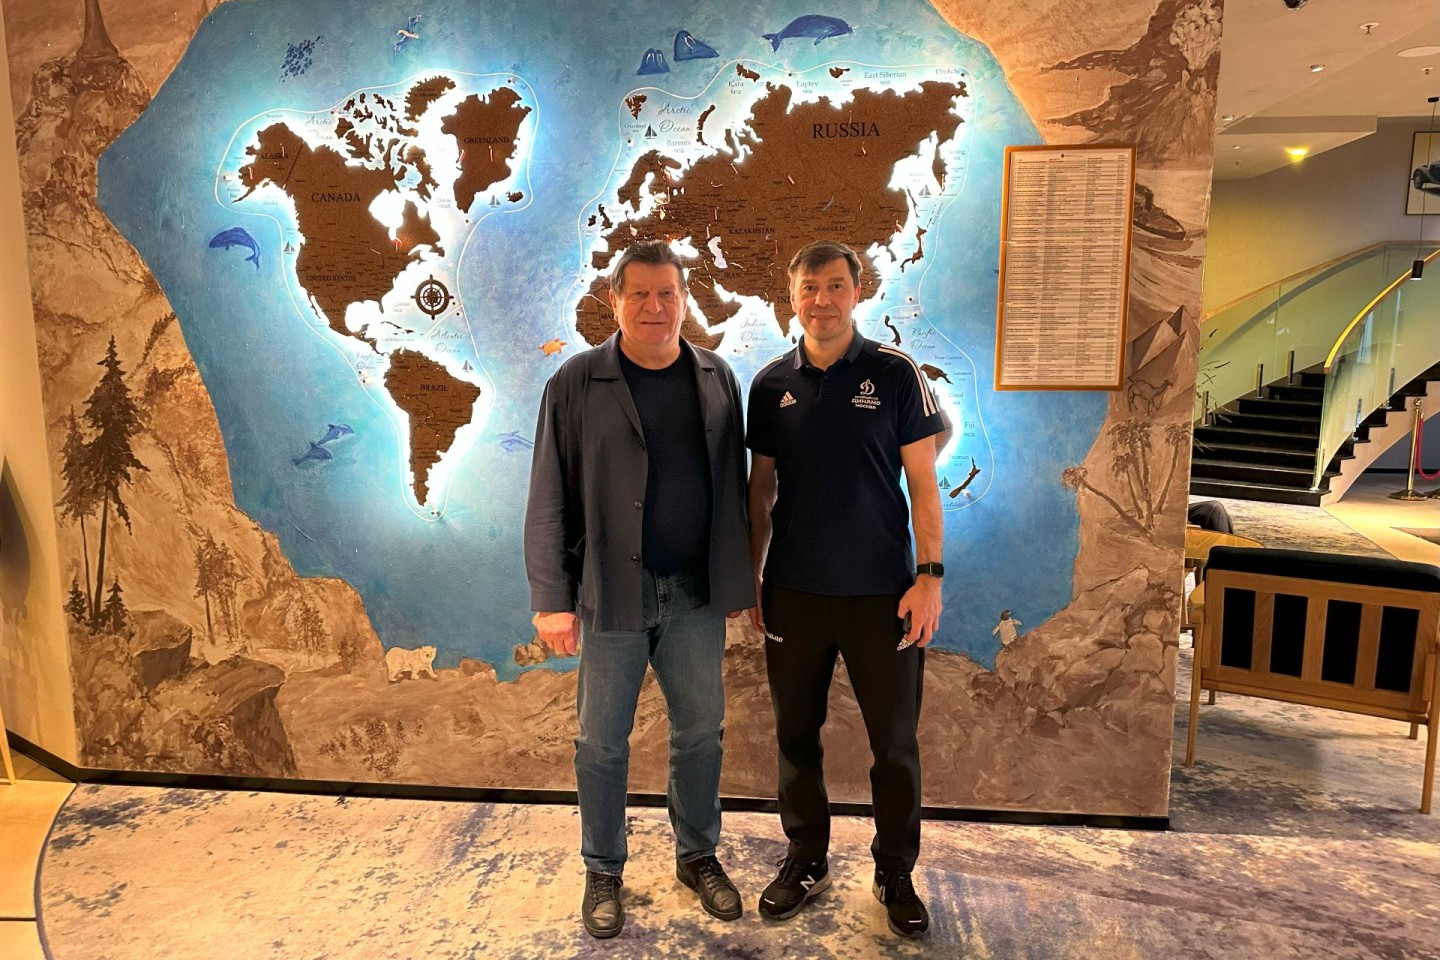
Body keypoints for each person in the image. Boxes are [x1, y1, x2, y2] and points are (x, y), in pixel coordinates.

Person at [524, 240, 754, 938]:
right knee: (601, 742)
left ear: (684, 300)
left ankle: (698, 855)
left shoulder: (715, 376)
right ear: (614, 301)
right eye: (639, 294)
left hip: (694, 594)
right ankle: (603, 869)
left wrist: (742, 578)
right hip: (612, 594)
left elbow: (735, 490)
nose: (654, 307)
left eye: (667, 294)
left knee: (701, 734)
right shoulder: (576, 381)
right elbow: (548, 494)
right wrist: (551, 598)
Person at [746, 240, 946, 938]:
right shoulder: (770, 384)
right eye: (809, 287)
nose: (822, 300)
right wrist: (752, 578)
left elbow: (923, 484)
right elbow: (760, 492)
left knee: (894, 746)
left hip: (882, 597)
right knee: (795, 737)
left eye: (835, 285)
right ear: (791, 296)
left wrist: (929, 578)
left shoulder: (895, 374)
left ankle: (895, 871)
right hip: (793, 594)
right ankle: (806, 858)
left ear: (857, 293)